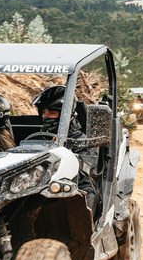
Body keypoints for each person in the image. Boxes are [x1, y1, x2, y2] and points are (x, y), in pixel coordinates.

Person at [32, 85, 98, 216]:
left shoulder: (82, 141)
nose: (46, 117)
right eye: (43, 112)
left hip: (74, 190)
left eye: (52, 113)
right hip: (38, 188)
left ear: (65, 115)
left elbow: (85, 171)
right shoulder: (36, 137)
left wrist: (60, 150)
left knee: (86, 199)